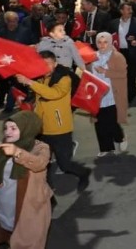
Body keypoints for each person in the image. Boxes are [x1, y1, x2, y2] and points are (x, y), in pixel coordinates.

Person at [15, 51, 91, 193]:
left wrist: (29, 82)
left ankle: (84, 173)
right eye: (41, 64)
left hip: (60, 129)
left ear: (55, 64)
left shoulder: (64, 78)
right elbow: (36, 96)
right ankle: (48, 192)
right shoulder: (39, 78)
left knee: (65, 165)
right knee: (43, 163)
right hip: (41, 129)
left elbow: (53, 94)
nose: (44, 66)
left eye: (48, 63)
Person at [0, 112, 52, 248]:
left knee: (26, 241)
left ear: (28, 128)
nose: (7, 132)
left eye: (13, 128)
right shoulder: (2, 147)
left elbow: (39, 164)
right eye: (6, 128)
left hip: (29, 208)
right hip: (4, 205)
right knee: (5, 234)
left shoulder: (40, 147)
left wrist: (17, 152)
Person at [88, 32, 129, 157]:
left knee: (111, 120)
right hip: (96, 93)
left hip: (112, 93)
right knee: (99, 122)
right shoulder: (92, 56)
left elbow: (123, 74)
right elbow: (87, 72)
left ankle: (120, 137)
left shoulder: (117, 56)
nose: (102, 45)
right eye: (99, 42)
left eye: (105, 42)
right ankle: (105, 147)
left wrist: (105, 72)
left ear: (110, 42)